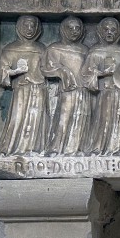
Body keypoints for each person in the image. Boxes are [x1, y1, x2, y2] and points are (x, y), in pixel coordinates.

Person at [0, 15, 49, 156]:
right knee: (17, 119)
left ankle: (35, 150)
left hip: (40, 89)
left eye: (32, 26)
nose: (29, 29)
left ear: (37, 29)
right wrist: (15, 71)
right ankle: (12, 149)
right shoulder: (10, 49)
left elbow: (48, 68)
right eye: (26, 25)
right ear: (18, 27)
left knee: (37, 119)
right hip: (21, 90)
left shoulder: (42, 48)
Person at [81, 18, 120, 155]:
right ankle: (99, 148)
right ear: (100, 32)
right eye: (106, 30)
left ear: (119, 32)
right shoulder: (95, 51)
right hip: (106, 92)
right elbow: (86, 75)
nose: (110, 33)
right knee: (104, 119)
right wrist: (101, 73)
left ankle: (117, 148)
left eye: (113, 30)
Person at [43, 16, 91, 155]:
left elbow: (89, 68)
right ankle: (56, 148)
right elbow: (46, 67)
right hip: (67, 90)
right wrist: (61, 71)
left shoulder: (84, 50)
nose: (74, 31)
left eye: (77, 28)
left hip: (83, 90)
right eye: (70, 28)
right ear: (63, 30)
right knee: (63, 118)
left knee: (80, 117)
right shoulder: (55, 49)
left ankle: (75, 149)